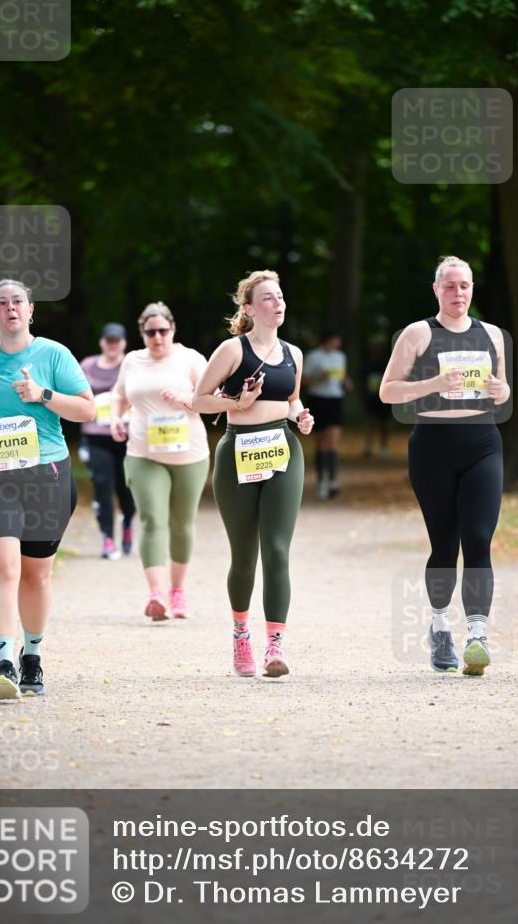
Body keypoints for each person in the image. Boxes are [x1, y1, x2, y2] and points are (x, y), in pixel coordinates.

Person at [0, 279, 95, 699]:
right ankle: (3, 663)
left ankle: (32, 656)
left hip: (45, 476)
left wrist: (43, 394)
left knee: (35, 574)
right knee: (3, 568)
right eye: (1, 303)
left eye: (17, 302)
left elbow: (87, 409)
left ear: (31, 310)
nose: (10, 308)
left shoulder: (53, 354)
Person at [379, 256, 510, 677]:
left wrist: (501, 389)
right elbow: (387, 392)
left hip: (483, 444)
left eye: (465, 286)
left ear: (473, 289)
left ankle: (477, 635)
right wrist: (434, 384)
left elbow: (503, 391)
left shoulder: (491, 334)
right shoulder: (419, 333)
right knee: (444, 543)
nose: (458, 294)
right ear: (436, 290)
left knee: (478, 537)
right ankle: (439, 626)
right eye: (450, 286)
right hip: (433, 447)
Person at [192, 269, 314, 678]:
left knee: (277, 550)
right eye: (267, 298)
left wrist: (302, 416)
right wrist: (237, 404)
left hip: (282, 449)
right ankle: (241, 635)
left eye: (280, 297)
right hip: (238, 451)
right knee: (244, 557)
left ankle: (274, 647)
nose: (276, 304)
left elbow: (293, 399)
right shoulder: (231, 350)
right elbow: (199, 401)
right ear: (249, 308)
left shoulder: (294, 353)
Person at [110, 302, 210, 620]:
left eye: (162, 330)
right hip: (144, 452)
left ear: (172, 329)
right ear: (142, 333)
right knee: (152, 519)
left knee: (181, 524)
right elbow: (119, 393)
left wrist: (187, 400)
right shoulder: (133, 361)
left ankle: (177, 592)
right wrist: (115, 417)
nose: (157, 337)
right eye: (150, 332)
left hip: (189, 454)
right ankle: (156, 594)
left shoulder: (191, 358)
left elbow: (216, 398)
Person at [80, 323, 136, 559]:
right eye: (109, 340)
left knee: (127, 487)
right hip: (97, 435)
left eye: (117, 340)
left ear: (124, 342)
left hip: (128, 435)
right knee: (102, 486)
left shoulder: (132, 364)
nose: (113, 344)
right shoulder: (88, 365)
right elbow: (78, 394)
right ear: (102, 341)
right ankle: (107, 538)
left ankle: (127, 522)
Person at [303, 328, 352, 499]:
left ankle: (333, 481)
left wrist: (346, 382)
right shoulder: (313, 356)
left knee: (333, 442)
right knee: (321, 444)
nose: (338, 343)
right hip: (318, 400)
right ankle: (321, 481)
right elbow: (304, 381)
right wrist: (319, 377)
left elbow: (343, 377)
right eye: (336, 339)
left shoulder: (341, 357)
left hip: (335, 400)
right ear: (328, 339)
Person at [361, 334, 392, 461]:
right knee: (371, 423)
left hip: (384, 398)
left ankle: (384, 448)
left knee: (384, 424)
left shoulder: (387, 364)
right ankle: (368, 447)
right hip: (371, 399)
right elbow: (362, 382)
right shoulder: (367, 364)